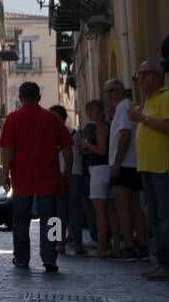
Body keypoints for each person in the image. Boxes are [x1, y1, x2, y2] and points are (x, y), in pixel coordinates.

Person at [0, 81, 73, 273]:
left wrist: (5, 173)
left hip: (22, 178)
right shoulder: (53, 118)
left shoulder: (13, 118)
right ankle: (51, 256)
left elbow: (8, 149)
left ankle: (22, 257)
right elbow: (67, 148)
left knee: (20, 219)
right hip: (48, 177)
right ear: (39, 97)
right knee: (53, 219)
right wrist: (68, 172)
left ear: (20, 98)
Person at [129, 60, 169, 281]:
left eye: (146, 74)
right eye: (139, 74)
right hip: (147, 166)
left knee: (166, 217)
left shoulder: (168, 96)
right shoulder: (148, 100)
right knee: (154, 217)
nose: (141, 78)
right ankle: (163, 262)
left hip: (163, 166)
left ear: (158, 76)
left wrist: (142, 119)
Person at [104, 78, 150, 261]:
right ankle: (142, 246)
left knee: (121, 205)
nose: (109, 96)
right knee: (133, 205)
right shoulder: (125, 107)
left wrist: (116, 162)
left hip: (123, 164)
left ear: (120, 91)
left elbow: (125, 134)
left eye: (112, 91)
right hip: (131, 163)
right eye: (107, 92)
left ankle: (129, 246)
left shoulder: (123, 108)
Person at [81, 98, 117, 257]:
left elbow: (102, 150)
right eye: (88, 110)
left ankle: (101, 248)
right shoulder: (105, 126)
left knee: (100, 212)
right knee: (109, 211)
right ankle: (115, 245)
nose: (89, 113)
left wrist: (86, 144)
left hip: (99, 171)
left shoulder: (101, 127)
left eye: (93, 110)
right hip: (104, 169)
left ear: (101, 111)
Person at [50, 104, 86, 255]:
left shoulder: (50, 134)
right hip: (75, 174)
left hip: (57, 174)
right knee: (75, 211)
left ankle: (59, 245)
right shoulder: (74, 133)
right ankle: (78, 245)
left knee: (57, 212)